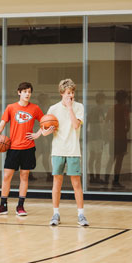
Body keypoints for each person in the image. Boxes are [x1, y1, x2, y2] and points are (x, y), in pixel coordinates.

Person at [0, 82, 44, 216]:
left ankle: (20, 206)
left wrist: (37, 134)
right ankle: (3, 205)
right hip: (13, 148)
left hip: (28, 148)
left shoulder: (35, 108)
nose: (27, 94)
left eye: (29, 91)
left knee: (24, 176)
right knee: (7, 176)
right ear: (19, 92)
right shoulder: (11, 108)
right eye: (24, 91)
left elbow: (46, 122)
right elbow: (2, 124)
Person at [44, 79, 89, 227]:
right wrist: (46, 131)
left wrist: (70, 108)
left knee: (76, 183)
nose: (71, 95)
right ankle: (55, 213)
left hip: (73, 151)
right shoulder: (53, 109)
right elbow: (45, 130)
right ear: (62, 93)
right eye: (68, 93)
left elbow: (76, 125)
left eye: (73, 92)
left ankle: (81, 215)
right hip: (57, 150)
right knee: (57, 182)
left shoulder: (78, 107)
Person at [105, 90, 130, 189]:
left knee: (111, 158)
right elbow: (127, 121)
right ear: (124, 99)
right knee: (119, 160)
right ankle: (116, 180)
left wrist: (108, 133)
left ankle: (106, 178)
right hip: (121, 137)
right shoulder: (124, 108)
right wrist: (127, 129)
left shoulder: (112, 108)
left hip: (113, 137)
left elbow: (107, 122)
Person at [88, 92, 107, 184]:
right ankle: (97, 177)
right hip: (98, 136)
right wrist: (104, 136)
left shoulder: (92, 109)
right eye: (103, 98)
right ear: (100, 99)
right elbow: (101, 124)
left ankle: (91, 177)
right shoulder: (100, 109)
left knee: (92, 157)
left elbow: (87, 122)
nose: (104, 100)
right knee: (98, 158)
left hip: (91, 136)